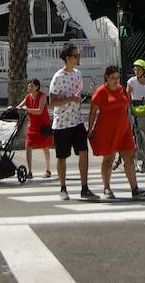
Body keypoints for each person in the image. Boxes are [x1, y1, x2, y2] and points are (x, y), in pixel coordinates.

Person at [87, 64, 145, 200]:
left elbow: (126, 106)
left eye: (117, 77)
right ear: (106, 78)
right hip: (107, 130)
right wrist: (90, 129)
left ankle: (135, 189)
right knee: (108, 159)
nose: (115, 80)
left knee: (129, 158)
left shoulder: (122, 89)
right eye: (112, 78)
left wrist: (131, 123)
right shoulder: (101, 92)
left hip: (124, 129)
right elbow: (93, 112)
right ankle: (106, 187)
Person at [49, 43, 99, 201]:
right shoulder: (58, 77)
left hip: (77, 120)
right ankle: (63, 188)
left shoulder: (78, 74)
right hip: (62, 123)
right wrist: (71, 98)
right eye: (76, 55)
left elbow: (77, 93)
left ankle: (84, 188)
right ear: (68, 58)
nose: (79, 58)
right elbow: (52, 101)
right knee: (61, 156)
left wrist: (78, 98)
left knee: (83, 152)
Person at [18, 78, 53, 178]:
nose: (30, 87)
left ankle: (48, 169)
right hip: (33, 126)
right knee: (28, 146)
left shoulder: (42, 96)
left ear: (37, 87)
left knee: (45, 147)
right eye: (29, 86)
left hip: (43, 125)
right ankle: (29, 171)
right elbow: (20, 106)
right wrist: (14, 109)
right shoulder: (27, 97)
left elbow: (40, 110)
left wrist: (27, 109)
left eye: (32, 86)